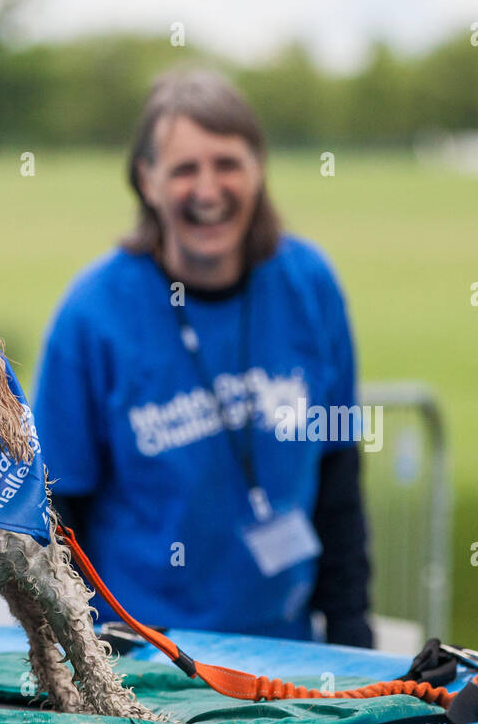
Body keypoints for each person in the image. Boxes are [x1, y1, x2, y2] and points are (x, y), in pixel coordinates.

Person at [32, 69, 373, 646]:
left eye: (227, 164)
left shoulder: (310, 285)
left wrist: (349, 630)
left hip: (285, 652)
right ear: (147, 180)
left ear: (259, 168)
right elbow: (57, 510)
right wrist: (82, 653)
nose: (208, 190)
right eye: (185, 169)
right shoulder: (93, 312)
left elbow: (339, 476)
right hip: (142, 652)